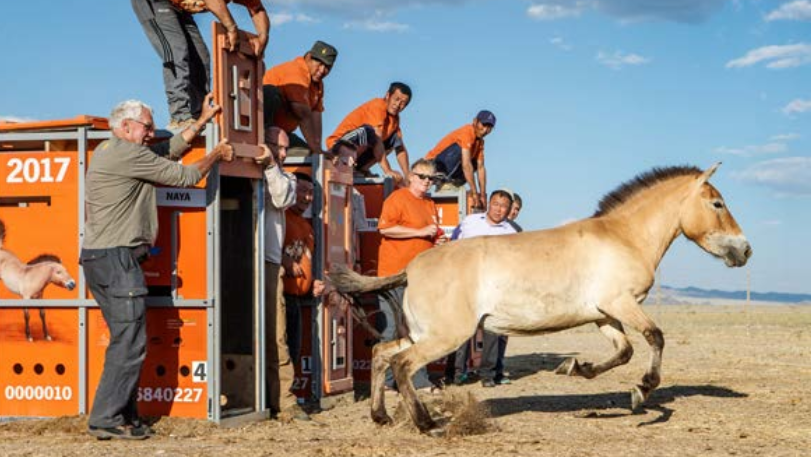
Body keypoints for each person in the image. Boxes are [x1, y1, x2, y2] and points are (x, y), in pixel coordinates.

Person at [82, 95, 234, 440]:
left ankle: (124, 415)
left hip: (102, 258)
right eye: (147, 127)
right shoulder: (127, 153)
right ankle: (106, 418)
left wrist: (201, 122)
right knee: (130, 341)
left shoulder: (113, 151)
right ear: (125, 127)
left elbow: (164, 155)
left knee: (127, 339)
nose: (152, 132)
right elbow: (185, 176)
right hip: (118, 259)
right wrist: (217, 154)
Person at [132, 0, 270, 130]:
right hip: (156, 3)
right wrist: (231, 28)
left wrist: (263, 36)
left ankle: (199, 115)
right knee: (176, 52)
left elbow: (257, 9)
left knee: (201, 56)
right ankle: (179, 116)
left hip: (180, 7)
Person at [255, 127, 311, 422]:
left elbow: (280, 197)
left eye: (286, 148)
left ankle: (285, 402)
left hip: (268, 260)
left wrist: (270, 165)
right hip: (239, 259)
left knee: (276, 334)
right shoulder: (248, 169)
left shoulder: (284, 176)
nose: (284, 153)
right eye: (280, 147)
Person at [376, 159, 443, 393]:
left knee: (418, 328)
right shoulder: (397, 198)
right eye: (423, 177)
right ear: (411, 176)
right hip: (394, 274)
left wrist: (437, 241)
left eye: (431, 178)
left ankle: (416, 379)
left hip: (419, 278)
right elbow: (385, 228)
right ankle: (386, 382)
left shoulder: (429, 204)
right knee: (392, 328)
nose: (427, 182)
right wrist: (420, 232)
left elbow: (431, 236)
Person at [451, 190, 516, 388]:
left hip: (493, 287)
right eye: (495, 204)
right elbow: (453, 244)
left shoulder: (511, 232)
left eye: (503, 206)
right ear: (489, 203)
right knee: (461, 329)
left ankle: (487, 374)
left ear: (509, 210)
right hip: (466, 281)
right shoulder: (470, 222)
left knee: (492, 330)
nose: (498, 209)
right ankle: (456, 373)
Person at [326, 82, 413, 184]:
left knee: (393, 139)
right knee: (370, 132)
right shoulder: (378, 105)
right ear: (388, 95)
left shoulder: (395, 119)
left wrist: (407, 176)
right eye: (396, 99)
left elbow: (400, 148)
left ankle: (360, 169)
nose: (398, 105)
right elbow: (376, 139)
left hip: (356, 152)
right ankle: (345, 162)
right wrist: (388, 171)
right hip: (339, 145)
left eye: (403, 103)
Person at [263, 41, 338, 157]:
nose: (322, 70)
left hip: (282, 133)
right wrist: (316, 150)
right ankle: (262, 138)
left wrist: (317, 149)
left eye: (327, 67)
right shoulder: (297, 71)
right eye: (319, 63)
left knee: (308, 156)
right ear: (308, 57)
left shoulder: (317, 84)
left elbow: (315, 115)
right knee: (270, 92)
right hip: (263, 127)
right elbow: (302, 113)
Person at [425, 110, 496, 211]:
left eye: (489, 128)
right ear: (475, 121)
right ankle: (442, 180)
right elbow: (466, 164)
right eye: (483, 125)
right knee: (462, 152)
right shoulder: (467, 131)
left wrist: (483, 195)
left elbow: (481, 168)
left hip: (451, 169)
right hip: (432, 164)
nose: (485, 130)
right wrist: (474, 192)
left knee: (475, 162)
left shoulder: (480, 142)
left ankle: (451, 183)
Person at [282, 172, 316, 370]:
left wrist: (313, 283)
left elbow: (305, 259)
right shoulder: (280, 218)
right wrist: (283, 260)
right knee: (283, 349)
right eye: (302, 191)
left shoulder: (306, 226)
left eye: (311, 193)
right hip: (282, 295)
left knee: (294, 349)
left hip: (297, 297)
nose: (307, 197)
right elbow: (262, 249)